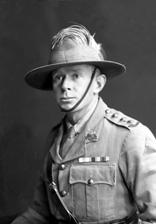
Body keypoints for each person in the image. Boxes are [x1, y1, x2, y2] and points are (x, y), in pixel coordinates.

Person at [11, 24, 156, 224]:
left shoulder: (129, 136)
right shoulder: (55, 138)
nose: (65, 86)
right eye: (58, 77)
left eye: (75, 76)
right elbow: (39, 213)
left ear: (98, 84)